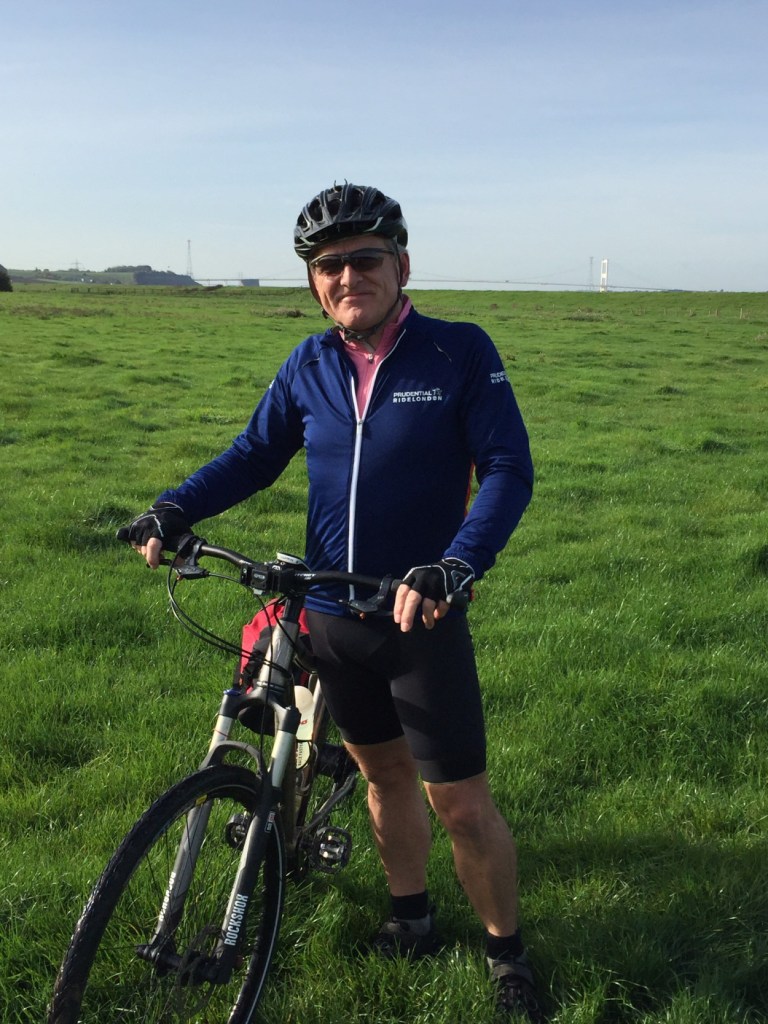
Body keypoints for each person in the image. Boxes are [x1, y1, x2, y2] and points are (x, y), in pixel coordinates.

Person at [126, 183, 541, 1020]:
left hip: (419, 618)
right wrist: (176, 506)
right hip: (330, 618)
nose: (348, 276)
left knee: (461, 802)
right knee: (383, 775)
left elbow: (507, 467)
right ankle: (410, 916)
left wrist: (455, 565)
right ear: (315, 283)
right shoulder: (308, 365)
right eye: (329, 265)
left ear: (401, 265)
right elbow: (253, 455)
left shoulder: (456, 351)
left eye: (364, 259)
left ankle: (508, 957)